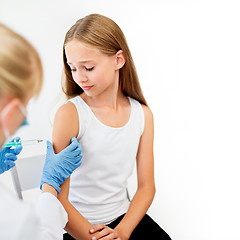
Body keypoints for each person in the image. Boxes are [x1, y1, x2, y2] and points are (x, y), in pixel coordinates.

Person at [52, 14, 171, 240]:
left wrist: (122, 232)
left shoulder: (142, 115)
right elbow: (58, 197)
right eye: (73, 68)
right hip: (77, 224)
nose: (79, 77)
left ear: (118, 60)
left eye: (88, 67)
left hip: (122, 218)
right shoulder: (70, 114)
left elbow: (146, 187)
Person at [0, 24, 83, 240]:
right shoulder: (13, 219)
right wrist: (49, 184)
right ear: (9, 113)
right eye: (25, 107)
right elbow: (43, 235)